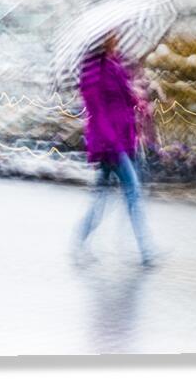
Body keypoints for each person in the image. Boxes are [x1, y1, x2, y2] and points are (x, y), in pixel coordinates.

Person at [74, 31, 156, 267]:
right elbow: (97, 110)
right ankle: (146, 250)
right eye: (111, 34)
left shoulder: (115, 63)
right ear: (100, 39)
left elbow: (123, 97)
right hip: (109, 143)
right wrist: (111, 143)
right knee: (133, 192)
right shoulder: (92, 70)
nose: (116, 37)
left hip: (125, 139)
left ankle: (80, 241)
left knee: (100, 198)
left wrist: (139, 102)